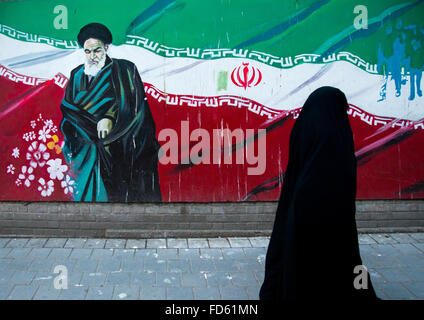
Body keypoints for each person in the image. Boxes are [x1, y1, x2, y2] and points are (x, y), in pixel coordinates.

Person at [259, 86, 378, 300]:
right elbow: (347, 176)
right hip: (335, 213)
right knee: (343, 257)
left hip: (299, 205)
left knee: (297, 256)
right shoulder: (339, 131)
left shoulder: (304, 125)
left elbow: (296, 164)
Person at [60, 23, 162, 202]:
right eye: (88, 52)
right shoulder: (76, 75)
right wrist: (86, 127)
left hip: (118, 142)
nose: (92, 56)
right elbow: (69, 110)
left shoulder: (124, 70)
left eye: (97, 50)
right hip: (84, 143)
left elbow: (135, 108)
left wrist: (109, 118)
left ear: (106, 48)